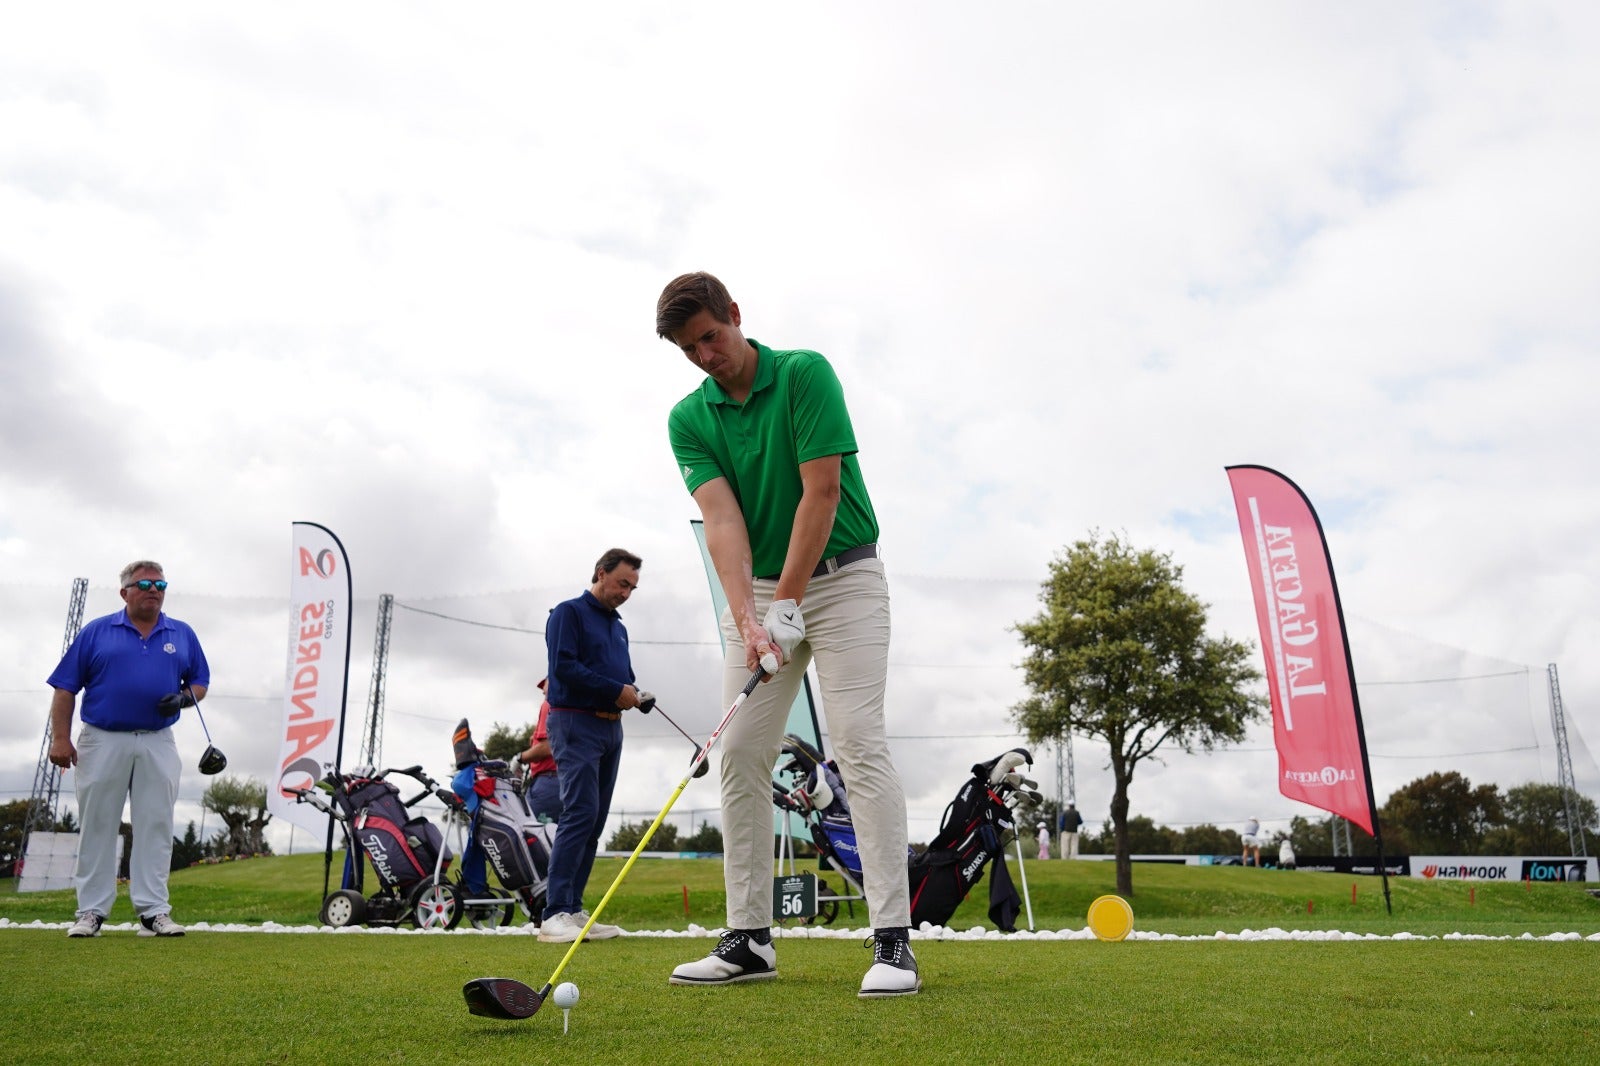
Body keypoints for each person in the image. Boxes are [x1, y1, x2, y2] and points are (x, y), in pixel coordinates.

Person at [657, 271, 918, 997]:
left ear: (735, 316)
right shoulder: (689, 419)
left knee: (857, 740)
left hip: (845, 579)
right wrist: (748, 616)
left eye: (710, 336)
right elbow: (722, 521)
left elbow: (822, 492)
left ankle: (892, 941)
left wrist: (790, 603)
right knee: (739, 749)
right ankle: (749, 939)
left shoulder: (804, 373)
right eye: (689, 349)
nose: (705, 355)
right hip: (766, 592)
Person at [46, 560, 211, 938]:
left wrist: (184, 699)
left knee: (156, 824)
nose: (154, 589)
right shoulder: (97, 632)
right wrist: (60, 738)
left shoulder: (181, 633)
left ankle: (154, 912)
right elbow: (65, 687)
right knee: (98, 824)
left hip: (158, 740)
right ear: (125, 592)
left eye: (160, 583)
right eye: (144, 584)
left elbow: (200, 680)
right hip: (102, 738)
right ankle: (91, 911)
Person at [539, 548, 645, 944]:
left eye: (632, 587)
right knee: (579, 812)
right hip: (574, 722)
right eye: (622, 583)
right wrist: (615, 690)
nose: (626, 593)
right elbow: (563, 667)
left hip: (610, 729)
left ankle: (573, 908)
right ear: (601, 573)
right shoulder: (568, 613)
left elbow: (624, 676)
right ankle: (554, 914)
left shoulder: (618, 627)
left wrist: (635, 693)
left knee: (595, 821)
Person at [515, 677, 561, 822]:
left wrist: (519, 759)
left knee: (531, 834)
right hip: (569, 781)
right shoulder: (573, 709)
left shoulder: (549, 703)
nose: (543, 692)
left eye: (545, 685)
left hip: (549, 783)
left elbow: (547, 747)